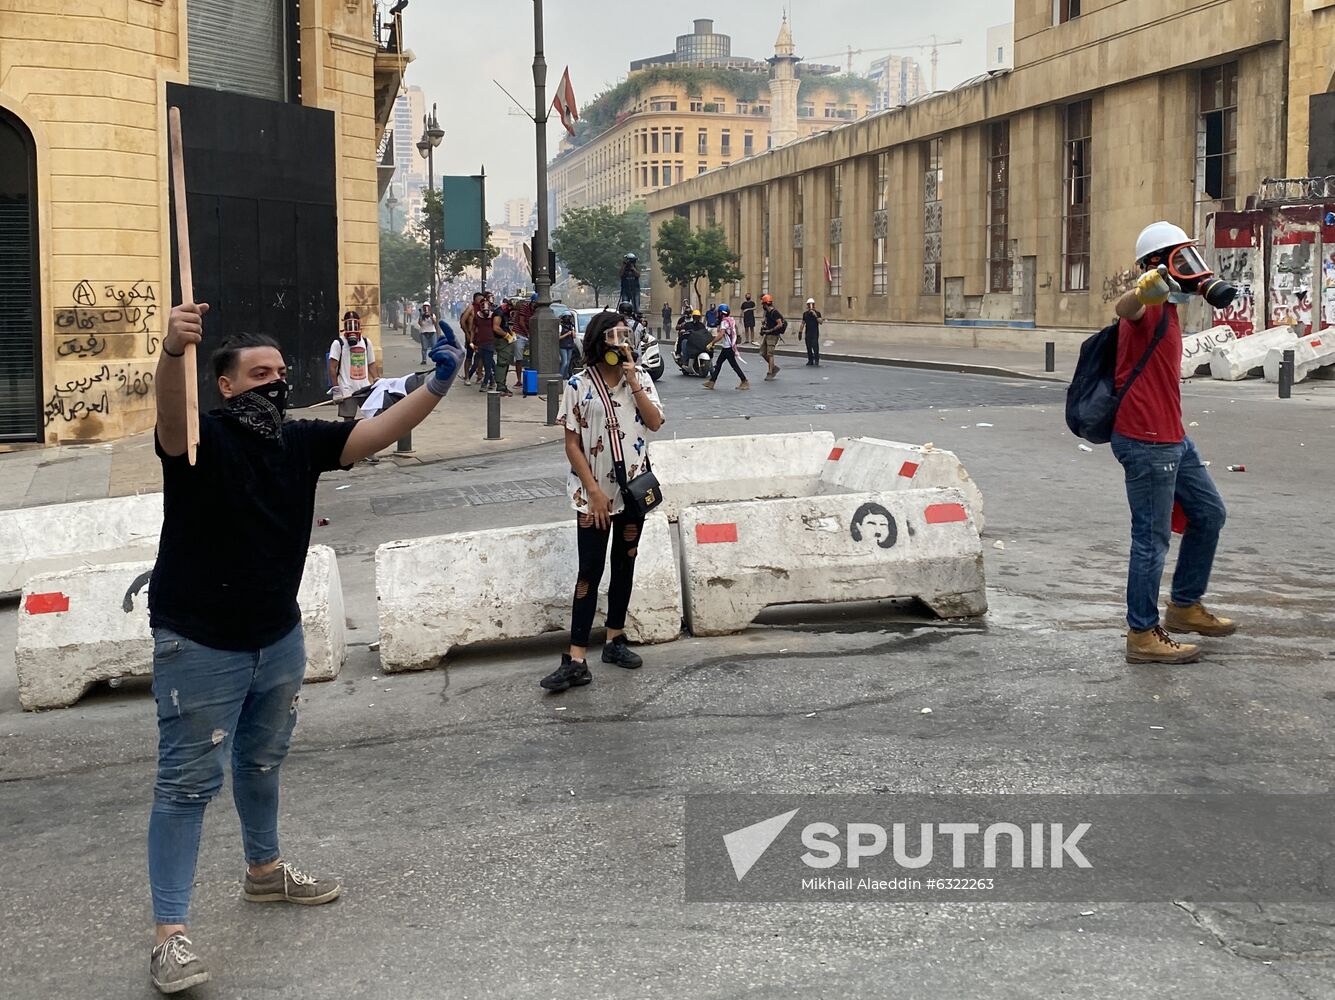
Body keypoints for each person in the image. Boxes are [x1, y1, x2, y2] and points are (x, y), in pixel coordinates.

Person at [144, 300, 463, 994]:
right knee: (186, 785)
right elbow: (171, 419)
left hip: (277, 639)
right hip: (198, 643)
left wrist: (435, 386)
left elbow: (371, 434)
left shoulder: (298, 442)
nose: (275, 383)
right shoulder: (201, 440)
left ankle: (265, 873)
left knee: (260, 762)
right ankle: (170, 935)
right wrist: (173, 353)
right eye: (258, 374)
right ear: (223, 385)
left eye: (281, 372)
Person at [1110, 221, 1235, 665]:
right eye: (1181, 259)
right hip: (1146, 439)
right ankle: (1142, 634)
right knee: (1152, 537)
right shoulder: (1149, 302)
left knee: (1208, 514)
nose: (1194, 269)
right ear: (1157, 266)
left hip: (1172, 435)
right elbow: (1126, 308)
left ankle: (1184, 606)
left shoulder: (1172, 306)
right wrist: (1145, 289)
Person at [542, 312, 665, 693]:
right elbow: (571, 444)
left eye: (626, 336)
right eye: (614, 337)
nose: (621, 343)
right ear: (599, 341)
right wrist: (594, 491)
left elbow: (656, 423)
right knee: (589, 572)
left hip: (632, 493)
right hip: (592, 496)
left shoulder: (640, 378)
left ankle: (615, 639)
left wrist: (634, 382)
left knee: (625, 564)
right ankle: (576, 658)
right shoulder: (578, 385)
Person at [327, 311, 380, 421]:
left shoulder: (366, 342)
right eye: (349, 325)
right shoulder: (338, 343)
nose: (352, 329)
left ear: (359, 325)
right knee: (348, 421)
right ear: (344, 326)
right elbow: (332, 367)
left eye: (355, 325)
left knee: (373, 417)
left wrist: (377, 380)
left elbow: (371, 363)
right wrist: (336, 389)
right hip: (347, 389)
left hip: (364, 388)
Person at [703, 304, 749, 391]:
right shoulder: (730, 319)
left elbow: (720, 335)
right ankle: (711, 382)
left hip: (728, 348)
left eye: (718, 313)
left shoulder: (724, 322)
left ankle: (744, 380)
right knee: (719, 364)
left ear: (721, 313)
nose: (717, 315)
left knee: (733, 365)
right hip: (728, 346)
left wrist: (712, 343)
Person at [469, 293, 497, 392]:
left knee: (488, 363)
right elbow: (473, 329)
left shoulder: (493, 316)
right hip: (480, 342)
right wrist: (471, 341)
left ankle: (485, 383)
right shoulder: (477, 316)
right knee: (483, 362)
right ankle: (492, 381)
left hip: (490, 342)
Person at [759, 294, 786, 381]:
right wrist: (763, 329)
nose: (762, 306)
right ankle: (774, 367)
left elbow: (780, 324)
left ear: (765, 304)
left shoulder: (775, 312)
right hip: (767, 334)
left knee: (770, 354)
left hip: (773, 335)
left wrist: (770, 330)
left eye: (763, 304)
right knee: (763, 353)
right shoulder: (767, 313)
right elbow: (767, 323)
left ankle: (770, 372)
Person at [492, 298, 516, 399]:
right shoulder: (499, 312)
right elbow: (496, 327)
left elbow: (507, 325)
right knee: (502, 362)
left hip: (505, 340)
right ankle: (500, 387)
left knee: (505, 362)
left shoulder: (506, 313)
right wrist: (506, 336)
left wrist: (511, 334)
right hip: (500, 340)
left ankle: (503, 385)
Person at [458, 292, 482, 385]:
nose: (481, 301)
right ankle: (467, 377)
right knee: (469, 357)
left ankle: (479, 375)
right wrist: (467, 333)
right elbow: (462, 321)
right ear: (475, 299)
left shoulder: (482, 308)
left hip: (480, 336)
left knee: (480, 357)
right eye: (479, 299)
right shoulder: (471, 308)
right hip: (471, 336)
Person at [801, 298, 824, 367]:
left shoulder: (817, 313)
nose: (811, 306)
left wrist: (815, 315)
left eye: (812, 304)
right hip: (808, 332)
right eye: (809, 305)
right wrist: (800, 331)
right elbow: (803, 323)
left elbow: (821, 322)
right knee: (808, 347)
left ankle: (816, 360)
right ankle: (810, 360)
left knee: (815, 346)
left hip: (815, 333)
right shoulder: (805, 314)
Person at [559, 311, 578, 378]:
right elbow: (558, 337)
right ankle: (560, 376)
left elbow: (574, 336)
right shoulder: (560, 326)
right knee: (565, 362)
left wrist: (573, 332)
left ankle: (565, 376)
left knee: (568, 362)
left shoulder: (571, 326)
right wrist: (567, 334)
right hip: (563, 346)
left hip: (570, 346)